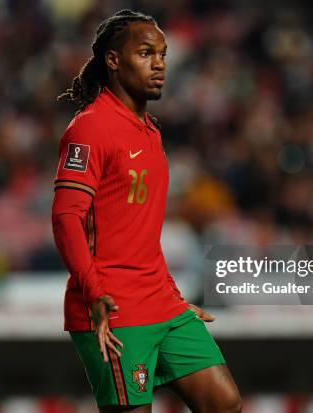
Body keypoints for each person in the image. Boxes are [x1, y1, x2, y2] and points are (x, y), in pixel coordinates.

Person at [51, 10, 242, 413]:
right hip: (112, 306)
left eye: (162, 54)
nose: (159, 64)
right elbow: (66, 217)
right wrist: (95, 291)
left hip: (161, 301)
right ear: (114, 60)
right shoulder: (91, 127)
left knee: (224, 403)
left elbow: (137, 229)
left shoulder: (149, 130)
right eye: (144, 53)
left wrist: (169, 293)